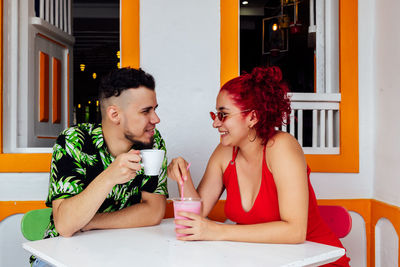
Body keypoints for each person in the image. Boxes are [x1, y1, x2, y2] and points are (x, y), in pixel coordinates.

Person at [167, 66, 350, 266]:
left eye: (223, 115)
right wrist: (184, 177)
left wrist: (215, 230)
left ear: (253, 117)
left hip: (314, 261)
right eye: (215, 115)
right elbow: (195, 219)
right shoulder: (224, 152)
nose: (215, 124)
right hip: (262, 260)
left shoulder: (281, 148)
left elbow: (295, 231)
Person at [31, 67, 168, 266]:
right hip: (61, 255)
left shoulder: (153, 143)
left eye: (155, 109)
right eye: (146, 111)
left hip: (122, 251)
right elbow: (66, 226)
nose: (156, 119)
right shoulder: (74, 141)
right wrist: (110, 176)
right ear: (114, 114)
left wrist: (91, 223)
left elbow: (154, 211)